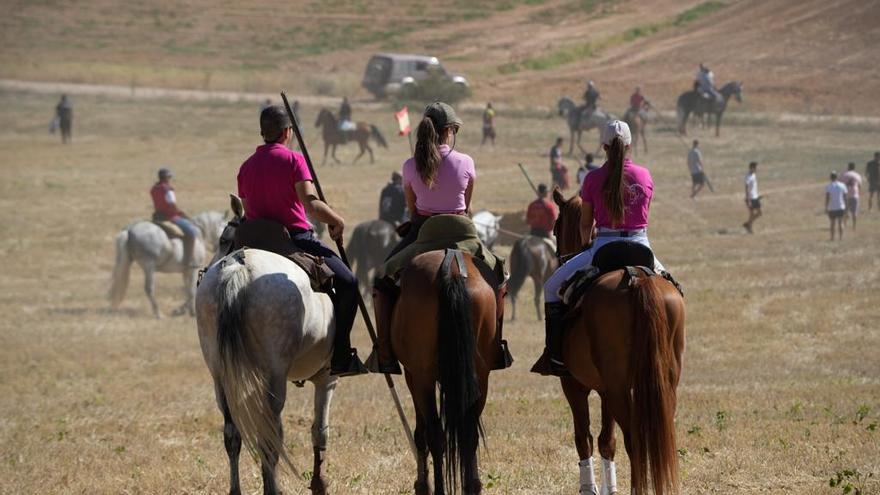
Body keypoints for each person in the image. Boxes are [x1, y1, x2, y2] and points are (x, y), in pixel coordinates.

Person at [369, 102, 503, 374]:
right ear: (450, 130)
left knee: (382, 279)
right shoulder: (466, 161)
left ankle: (384, 350)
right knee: (500, 274)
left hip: (423, 233)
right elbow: (466, 204)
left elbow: (413, 209)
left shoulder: (410, 165)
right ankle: (496, 346)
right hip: (463, 232)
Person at [237, 105, 366, 377]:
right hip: (294, 238)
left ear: (263, 132)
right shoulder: (294, 160)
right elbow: (310, 205)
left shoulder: (245, 167)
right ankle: (341, 355)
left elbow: (248, 210)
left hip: (254, 242)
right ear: (287, 132)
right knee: (349, 283)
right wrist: (336, 220)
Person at [534, 120, 665, 376]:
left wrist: (586, 245)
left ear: (603, 146)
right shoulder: (645, 175)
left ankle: (556, 356)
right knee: (674, 291)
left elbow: (585, 223)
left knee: (551, 288)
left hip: (604, 245)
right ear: (629, 145)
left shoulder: (593, 178)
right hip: (641, 245)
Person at [150, 168, 199, 269]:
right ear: (167, 178)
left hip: (157, 217)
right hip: (170, 217)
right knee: (191, 233)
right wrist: (179, 213)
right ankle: (188, 261)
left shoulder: (153, 189)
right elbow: (171, 204)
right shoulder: (168, 189)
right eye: (169, 177)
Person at [826, 171, 847, 241]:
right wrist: (846, 206)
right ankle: (841, 238)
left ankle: (832, 238)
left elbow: (827, 197)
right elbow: (845, 196)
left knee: (832, 223)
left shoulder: (828, 186)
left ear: (830, 177)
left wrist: (826, 207)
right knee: (840, 222)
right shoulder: (842, 185)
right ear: (837, 177)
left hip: (832, 207)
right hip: (841, 206)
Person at [840, 162, 862, 229]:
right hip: (855, 194)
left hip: (846, 195)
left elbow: (840, 183)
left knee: (845, 211)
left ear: (848, 167)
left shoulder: (844, 174)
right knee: (854, 212)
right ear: (854, 168)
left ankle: (844, 224)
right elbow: (859, 185)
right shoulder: (857, 175)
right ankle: (854, 226)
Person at [743, 161, 762, 233]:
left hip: (755, 197)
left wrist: (758, 195)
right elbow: (747, 188)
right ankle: (749, 228)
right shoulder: (748, 177)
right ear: (751, 168)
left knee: (759, 213)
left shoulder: (754, 175)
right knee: (752, 214)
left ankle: (748, 224)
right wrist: (749, 200)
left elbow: (754, 187)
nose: (756, 169)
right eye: (755, 168)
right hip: (750, 198)